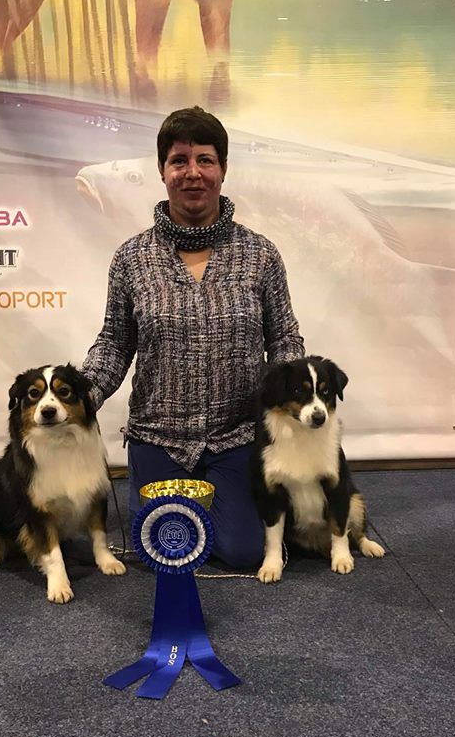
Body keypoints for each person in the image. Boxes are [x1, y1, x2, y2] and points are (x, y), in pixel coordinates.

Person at [81, 106, 305, 568]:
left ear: (223, 169)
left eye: (205, 159)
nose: (192, 173)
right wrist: (81, 396)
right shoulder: (131, 258)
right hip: (159, 437)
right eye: (179, 160)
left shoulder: (260, 254)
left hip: (236, 436)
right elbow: (114, 343)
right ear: (162, 170)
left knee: (244, 552)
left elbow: (284, 339)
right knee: (158, 544)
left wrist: (296, 398)